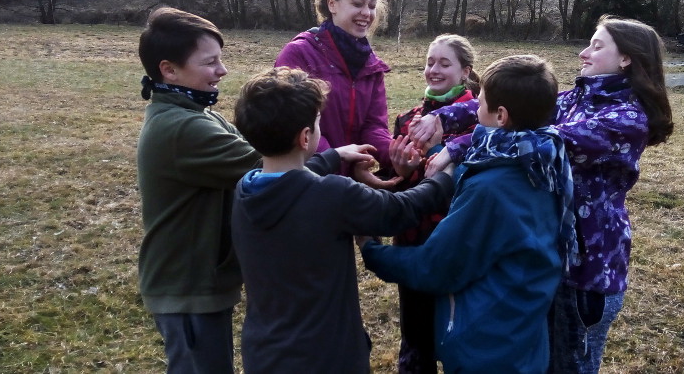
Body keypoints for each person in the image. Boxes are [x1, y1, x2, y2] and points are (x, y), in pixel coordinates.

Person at [412, 15, 675, 373]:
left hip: (586, 274)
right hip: (552, 264)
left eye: (597, 46)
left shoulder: (627, 119)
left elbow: (539, 142)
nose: (583, 53)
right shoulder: (576, 100)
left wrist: (456, 147)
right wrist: (443, 118)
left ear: (626, 58)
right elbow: (511, 103)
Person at [230, 66, 456, 374]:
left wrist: (334, 155)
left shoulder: (246, 190)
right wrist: (443, 178)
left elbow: (291, 180)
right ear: (306, 137)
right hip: (327, 357)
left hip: (265, 354)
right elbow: (398, 210)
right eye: (318, 122)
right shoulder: (332, 195)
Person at [359, 54, 575, 374]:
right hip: (522, 335)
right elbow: (478, 167)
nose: (475, 108)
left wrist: (372, 250)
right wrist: (437, 157)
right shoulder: (545, 159)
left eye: (481, 102)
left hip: (486, 348)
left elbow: (436, 267)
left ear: (501, 116)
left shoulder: (492, 188)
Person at [136, 7, 260, 373]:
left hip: (199, 282)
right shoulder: (183, 127)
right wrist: (332, 156)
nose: (222, 70)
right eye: (210, 62)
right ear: (169, 70)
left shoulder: (198, 114)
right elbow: (269, 168)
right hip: (187, 289)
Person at [385, 34, 480, 374]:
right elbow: (395, 185)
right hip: (414, 242)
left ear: (465, 71)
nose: (433, 70)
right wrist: (400, 172)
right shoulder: (407, 119)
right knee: (416, 338)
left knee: (463, 342)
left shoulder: (483, 120)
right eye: (429, 62)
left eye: (444, 63)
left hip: (459, 244)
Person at [273, 0, 394, 176]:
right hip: (306, 178)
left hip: (348, 183)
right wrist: (334, 165)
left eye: (372, 6)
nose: (367, 13)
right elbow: (295, 125)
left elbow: (374, 127)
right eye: (358, 3)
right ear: (332, 4)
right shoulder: (299, 54)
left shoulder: (371, 65)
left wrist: (397, 156)